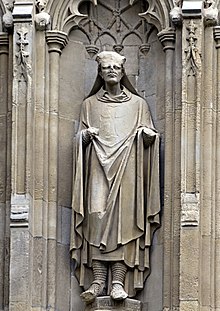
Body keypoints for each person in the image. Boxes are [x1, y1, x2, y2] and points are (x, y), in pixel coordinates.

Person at [70, 51, 160, 304]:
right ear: (99, 73)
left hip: (128, 168)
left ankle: (119, 281)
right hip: (97, 167)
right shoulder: (89, 105)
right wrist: (84, 138)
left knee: (125, 222)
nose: (111, 71)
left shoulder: (138, 104)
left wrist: (147, 136)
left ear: (123, 72)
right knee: (95, 217)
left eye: (116, 68)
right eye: (106, 68)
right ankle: (98, 281)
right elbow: (79, 137)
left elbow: (148, 130)